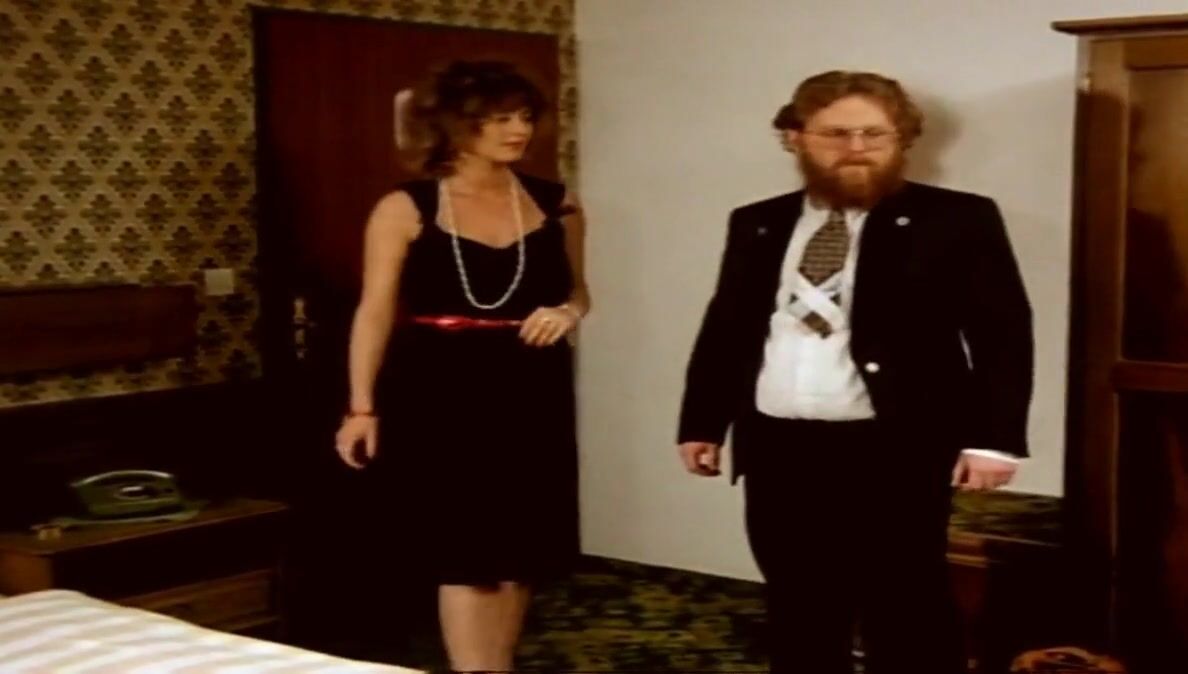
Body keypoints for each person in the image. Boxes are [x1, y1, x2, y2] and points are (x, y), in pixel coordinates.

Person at [676, 70, 1034, 674]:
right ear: (796, 137)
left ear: (901, 140)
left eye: (874, 134)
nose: (857, 148)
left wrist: (995, 440)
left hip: (895, 445)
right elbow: (727, 329)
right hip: (779, 445)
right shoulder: (757, 221)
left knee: (906, 602)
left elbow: (1002, 332)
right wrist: (702, 423)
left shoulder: (956, 218)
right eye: (836, 134)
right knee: (797, 601)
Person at [334, 60, 589, 673]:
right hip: (442, 386)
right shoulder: (405, 207)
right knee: (466, 549)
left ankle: (496, 667)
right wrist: (361, 407)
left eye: (524, 116)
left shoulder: (557, 203)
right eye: (498, 118)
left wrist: (567, 312)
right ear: (454, 124)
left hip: (531, 384)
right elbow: (374, 311)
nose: (518, 130)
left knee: (520, 546)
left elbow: (581, 293)